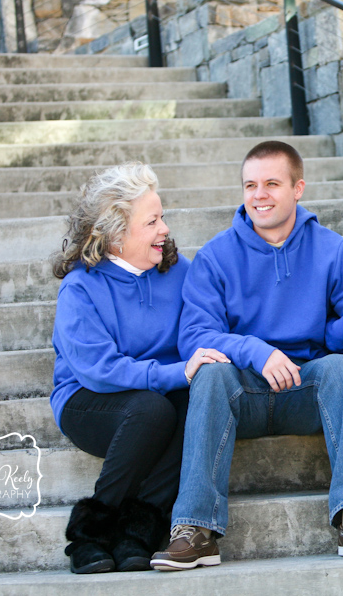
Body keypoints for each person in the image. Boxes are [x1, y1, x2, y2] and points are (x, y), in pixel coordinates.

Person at [150, 140, 343, 571]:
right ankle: (195, 528)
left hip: (306, 387)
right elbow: (195, 337)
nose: (259, 195)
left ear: (298, 189)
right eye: (250, 185)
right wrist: (256, 352)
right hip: (244, 390)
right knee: (209, 373)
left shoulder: (330, 249)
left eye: (271, 184)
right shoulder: (217, 256)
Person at [50, 163, 226, 574]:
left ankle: (137, 534)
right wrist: (171, 374)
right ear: (115, 235)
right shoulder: (81, 287)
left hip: (158, 399)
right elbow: (98, 369)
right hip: (90, 402)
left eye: (162, 216)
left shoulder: (180, 272)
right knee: (152, 407)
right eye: (152, 221)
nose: (164, 229)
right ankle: (89, 534)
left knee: (194, 400)